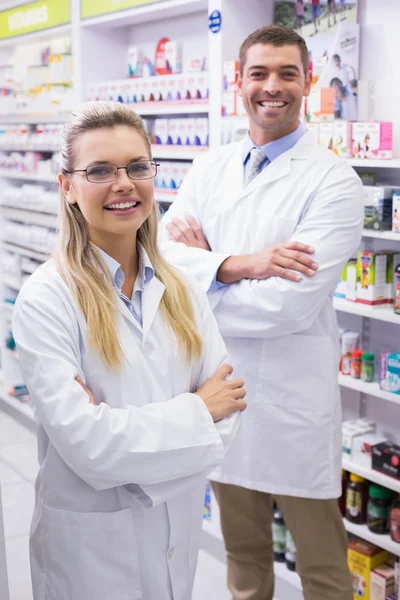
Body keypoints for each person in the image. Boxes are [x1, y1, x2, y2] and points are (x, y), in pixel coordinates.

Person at [11, 101, 247, 600]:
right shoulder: (47, 298)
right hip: (91, 556)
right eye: (100, 170)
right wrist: (197, 411)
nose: (124, 183)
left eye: (137, 167)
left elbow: (230, 414)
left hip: (173, 537)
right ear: (68, 188)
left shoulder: (181, 286)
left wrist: (130, 447)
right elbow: (89, 448)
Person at [159, 25, 363, 600]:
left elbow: (289, 306)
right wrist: (241, 265)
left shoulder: (333, 181)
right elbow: (167, 263)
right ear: (238, 82)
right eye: (259, 73)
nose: (272, 87)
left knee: (323, 570)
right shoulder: (209, 166)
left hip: (290, 402)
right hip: (220, 393)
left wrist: (203, 273)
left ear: (308, 82)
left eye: (287, 74)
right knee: (243, 562)